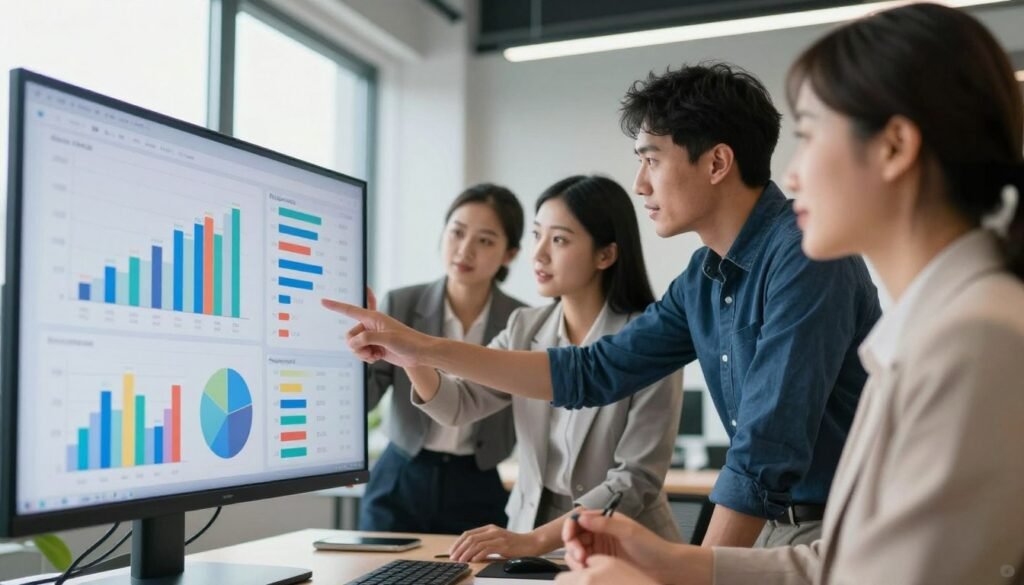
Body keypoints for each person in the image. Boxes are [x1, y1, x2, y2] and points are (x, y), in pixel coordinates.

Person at [552, 4, 1024, 584]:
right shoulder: (939, 328)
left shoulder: (975, 339)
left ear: (894, 147)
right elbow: (845, 563)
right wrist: (676, 564)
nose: (793, 175)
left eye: (810, 136)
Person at [325, 64, 882, 547]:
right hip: (771, 528)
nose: (640, 184)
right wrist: (419, 348)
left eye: (651, 160)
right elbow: (592, 371)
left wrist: (698, 573)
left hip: (837, 528)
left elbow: (764, 450)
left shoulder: (806, 256)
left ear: (716, 163)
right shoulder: (702, 278)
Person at [410, 175, 683, 562]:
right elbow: (457, 405)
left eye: (559, 240)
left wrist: (535, 541)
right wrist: (409, 356)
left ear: (605, 255)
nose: (538, 254)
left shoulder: (649, 340)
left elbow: (635, 480)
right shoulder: (524, 327)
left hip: (623, 544)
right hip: (530, 530)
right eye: (537, 235)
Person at [358, 183, 527, 534]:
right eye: (457, 232)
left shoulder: (521, 322)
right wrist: (354, 355)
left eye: (485, 241)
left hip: (477, 482)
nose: (465, 250)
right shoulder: (401, 304)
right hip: (401, 475)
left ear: (509, 254)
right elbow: (366, 398)